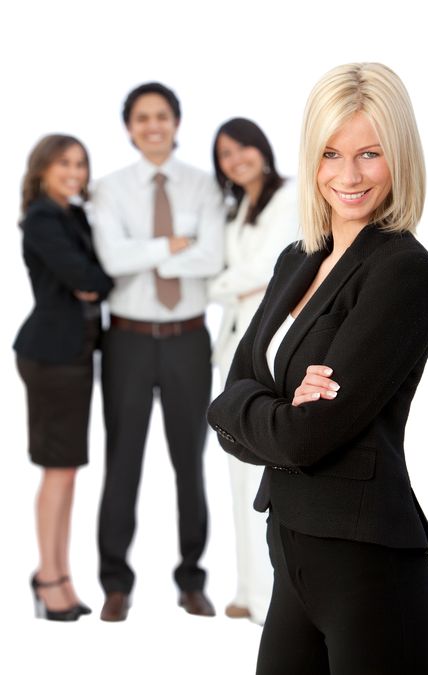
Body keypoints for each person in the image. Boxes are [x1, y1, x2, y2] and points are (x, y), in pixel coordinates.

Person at [208, 62, 428, 674]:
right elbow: (225, 404)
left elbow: (307, 436)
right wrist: (271, 405)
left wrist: (259, 406)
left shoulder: (402, 271)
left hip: (369, 573)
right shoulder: (296, 260)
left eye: (371, 153)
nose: (349, 175)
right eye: (331, 153)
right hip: (291, 556)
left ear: (401, 157)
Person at [92, 82, 224, 621]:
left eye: (162, 116)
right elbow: (111, 259)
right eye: (142, 117)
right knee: (122, 462)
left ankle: (191, 579)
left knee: (190, 462)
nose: (153, 125)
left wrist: (146, 253)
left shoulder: (204, 187)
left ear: (176, 122)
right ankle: (115, 583)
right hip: (125, 338)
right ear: (128, 127)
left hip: (188, 339)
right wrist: (172, 247)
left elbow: (212, 257)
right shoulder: (108, 189)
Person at [14, 134, 113, 621]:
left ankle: (59, 572)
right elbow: (89, 275)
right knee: (58, 470)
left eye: (80, 163)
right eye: (64, 164)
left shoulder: (72, 213)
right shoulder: (42, 218)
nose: (75, 172)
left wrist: (93, 281)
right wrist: (95, 281)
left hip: (73, 355)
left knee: (67, 470)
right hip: (51, 357)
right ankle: (49, 576)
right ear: (42, 169)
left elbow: (92, 274)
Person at [209, 117, 299, 624]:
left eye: (243, 147)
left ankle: (271, 600)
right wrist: (233, 285)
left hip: (270, 349)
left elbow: (269, 269)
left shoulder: (288, 199)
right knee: (237, 467)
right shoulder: (238, 208)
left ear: (261, 148)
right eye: (224, 153)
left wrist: (212, 284)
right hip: (234, 349)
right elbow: (244, 278)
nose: (236, 158)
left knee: (265, 470)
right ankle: (248, 588)